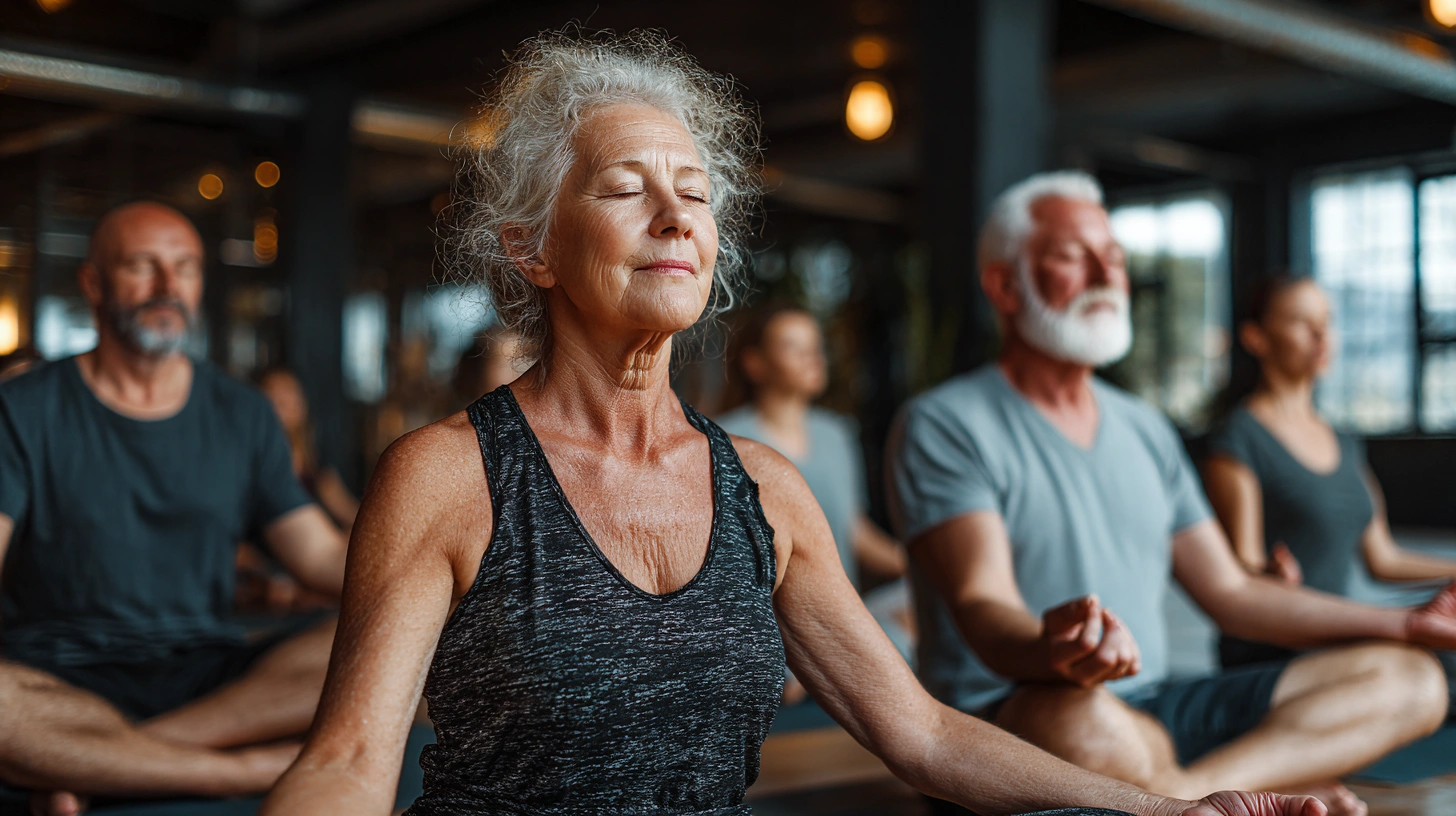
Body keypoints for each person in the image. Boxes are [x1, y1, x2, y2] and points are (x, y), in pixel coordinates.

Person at [262, 31, 1323, 816]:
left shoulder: (763, 489)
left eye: (695, 193)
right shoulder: (447, 476)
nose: (677, 215)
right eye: (627, 189)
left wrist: (1175, 812)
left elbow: (920, 733)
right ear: (532, 251)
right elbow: (350, 764)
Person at [888, 171, 1456, 816]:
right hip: (1020, 718)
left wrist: (1405, 623)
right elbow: (983, 607)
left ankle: (1184, 803)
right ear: (1004, 284)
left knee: (1409, 680)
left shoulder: (1145, 427)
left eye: (1117, 258)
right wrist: (1058, 650)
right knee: (1080, 721)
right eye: (1075, 257)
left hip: (1157, 706)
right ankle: (1222, 798)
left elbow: (1232, 593)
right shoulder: (943, 423)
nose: (1107, 275)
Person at [0, 201, 348, 815]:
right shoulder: (23, 409)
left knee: (404, 648)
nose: (168, 287)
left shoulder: (243, 414)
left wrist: (438, 583)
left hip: (209, 675)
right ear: (93, 283)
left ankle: (101, 765)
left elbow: (318, 554)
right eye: (143, 266)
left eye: (185, 268)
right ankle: (233, 771)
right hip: (59, 675)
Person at [1202, 275, 1456, 691]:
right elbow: (1238, 569)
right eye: (1302, 322)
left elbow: (1383, 559)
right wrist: (1268, 571)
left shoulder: (1343, 442)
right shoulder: (1239, 439)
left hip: (1341, 633)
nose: (1321, 334)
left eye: (1327, 321)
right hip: (1276, 647)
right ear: (1256, 337)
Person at [717, 305, 906, 589]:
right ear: (754, 363)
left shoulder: (836, 433)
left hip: (842, 610)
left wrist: (918, 565)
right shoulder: (724, 438)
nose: (813, 357)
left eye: (816, 346)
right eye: (794, 347)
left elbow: (853, 531)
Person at [258, 367, 359, 532]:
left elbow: (342, 505)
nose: (287, 400)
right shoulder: (256, 460)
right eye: (275, 393)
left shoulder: (313, 455)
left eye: (291, 390)